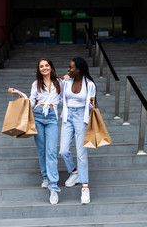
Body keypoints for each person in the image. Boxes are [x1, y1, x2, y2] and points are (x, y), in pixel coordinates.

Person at [8, 58, 62, 205]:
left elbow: (64, 99)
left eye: (46, 65)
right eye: (41, 66)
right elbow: (31, 102)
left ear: (51, 67)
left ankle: (53, 187)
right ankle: (45, 176)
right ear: (39, 69)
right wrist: (19, 93)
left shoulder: (60, 82)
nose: (44, 68)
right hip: (37, 116)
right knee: (42, 150)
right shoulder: (35, 84)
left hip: (51, 118)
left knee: (51, 152)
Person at [59, 57, 96, 204]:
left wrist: (92, 104)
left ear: (78, 69)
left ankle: (85, 186)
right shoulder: (66, 82)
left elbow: (91, 105)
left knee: (81, 153)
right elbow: (62, 99)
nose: (68, 70)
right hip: (68, 116)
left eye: (71, 67)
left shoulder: (90, 84)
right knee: (63, 150)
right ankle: (74, 172)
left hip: (81, 117)